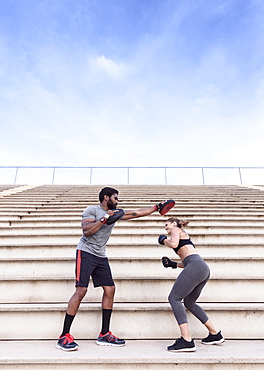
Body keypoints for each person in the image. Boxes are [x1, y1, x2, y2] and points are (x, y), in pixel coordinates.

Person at [56, 187, 174, 351]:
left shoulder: (115, 213)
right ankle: (64, 336)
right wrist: (105, 218)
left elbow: (136, 213)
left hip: (100, 255)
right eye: (115, 198)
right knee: (81, 290)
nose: (117, 201)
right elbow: (87, 231)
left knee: (110, 289)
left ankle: (104, 334)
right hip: (86, 252)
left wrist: (155, 207)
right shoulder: (92, 210)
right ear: (106, 197)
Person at [158, 217, 225, 352]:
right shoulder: (184, 237)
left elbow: (173, 243)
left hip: (195, 266)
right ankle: (214, 334)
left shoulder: (176, 230)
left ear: (174, 223)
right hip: (201, 267)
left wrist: (163, 240)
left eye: (167, 225)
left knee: (174, 298)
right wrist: (173, 264)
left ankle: (186, 339)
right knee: (189, 302)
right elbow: (188, 260)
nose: (166, 228)